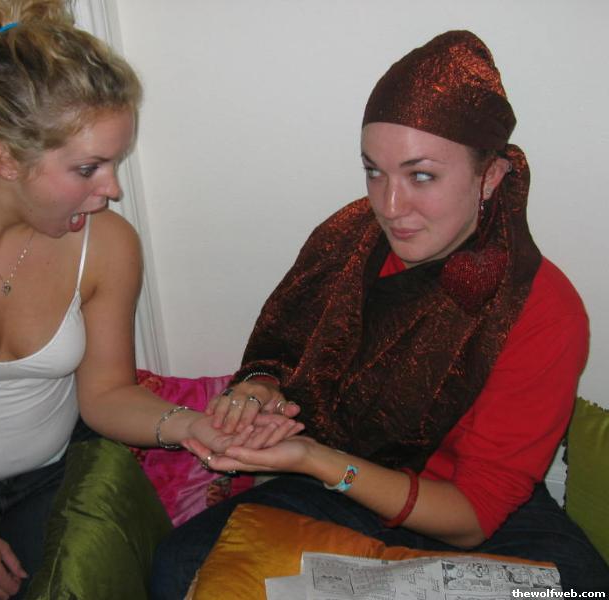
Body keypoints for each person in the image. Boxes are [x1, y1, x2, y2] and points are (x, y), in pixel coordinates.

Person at [0, 2, 301, 599]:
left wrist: (196, 428)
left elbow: (105, 396)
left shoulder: (108, 244)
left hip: (54, 474)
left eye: (114, 163)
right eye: (89, 168)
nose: (112, 189)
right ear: (6, 158)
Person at [151, 30, 609, 596]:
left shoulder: (542, 309)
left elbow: (474, 516)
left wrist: (318, 461)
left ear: (489, 177)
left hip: (470, 516)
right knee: (184, 566)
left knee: (578, 589)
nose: (390, 207)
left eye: (422, 175)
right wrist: (260, 390)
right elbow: (282, 352)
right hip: (340, 485)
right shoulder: (348, 241)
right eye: (374, 171)